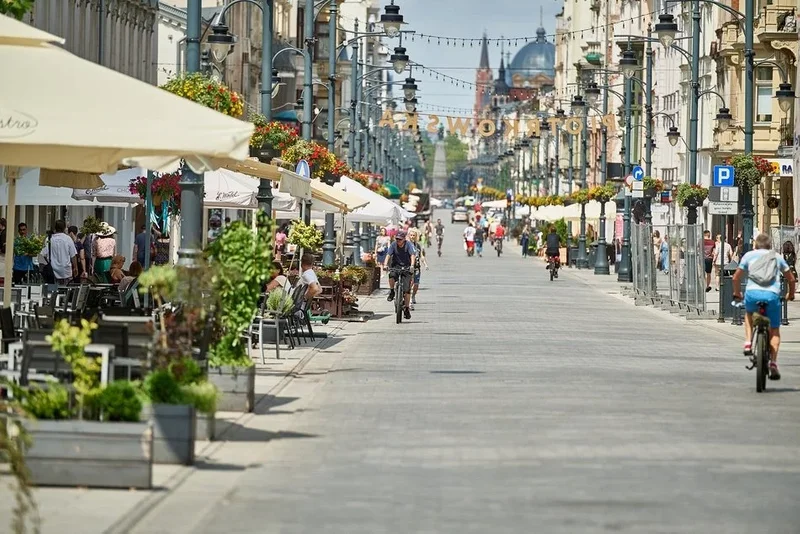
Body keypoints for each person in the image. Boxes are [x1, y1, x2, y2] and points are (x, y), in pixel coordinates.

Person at [733, 233, 796, 380]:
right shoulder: (777, 257)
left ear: (755, 245)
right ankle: (773, 363)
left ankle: (748, 342)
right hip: (772, 295)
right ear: (770, 246)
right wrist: (790, 295)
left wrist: (737, 293)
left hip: (752, 294)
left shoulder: (748, 256)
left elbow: (736, 277)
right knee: (774, 330)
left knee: (749, 315)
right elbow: (791, 279)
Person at [384, 230, 416, 319]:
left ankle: (406, 308)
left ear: (404, 239)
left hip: (407, 267)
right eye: (397, 239)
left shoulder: (408, 244)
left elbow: (412, 255)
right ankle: (392, 291)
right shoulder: (393, 245)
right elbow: (388, 255)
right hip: (396, 266)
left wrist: (412, 265)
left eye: (400, 239)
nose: (398, 241)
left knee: (407, 290)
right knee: (391, 275)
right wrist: (385, 264)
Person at [38, 220, 77, 286]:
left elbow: (43, 254)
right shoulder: (68, 239)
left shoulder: (49, 239)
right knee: (66, 291)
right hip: (66, 271)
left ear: (55, 228)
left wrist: (49, 261)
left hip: (53, 272)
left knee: (52, 292)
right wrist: (75, 267)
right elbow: (73, 255)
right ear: (64, 228)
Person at [408, 229, 428, 308]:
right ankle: (409, 301)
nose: (412, 237)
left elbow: (421, 256)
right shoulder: (407, 245)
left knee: (416, 284)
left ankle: (413, 296)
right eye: (411, 235)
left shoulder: (417, 245)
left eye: (414, 235)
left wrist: (425, 264)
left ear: (416, 236)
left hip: (417, 267)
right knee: (410, 283)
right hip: (409, 266)